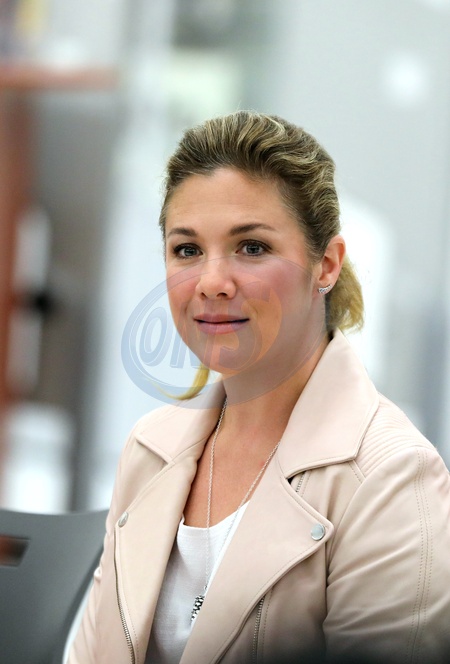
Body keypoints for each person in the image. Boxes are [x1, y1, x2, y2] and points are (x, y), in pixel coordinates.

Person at [68, 111, 450, 664]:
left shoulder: (391, 478)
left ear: (326, 265)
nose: (211, 282)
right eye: (187, 249)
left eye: (251, 247)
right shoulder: (150, 449)